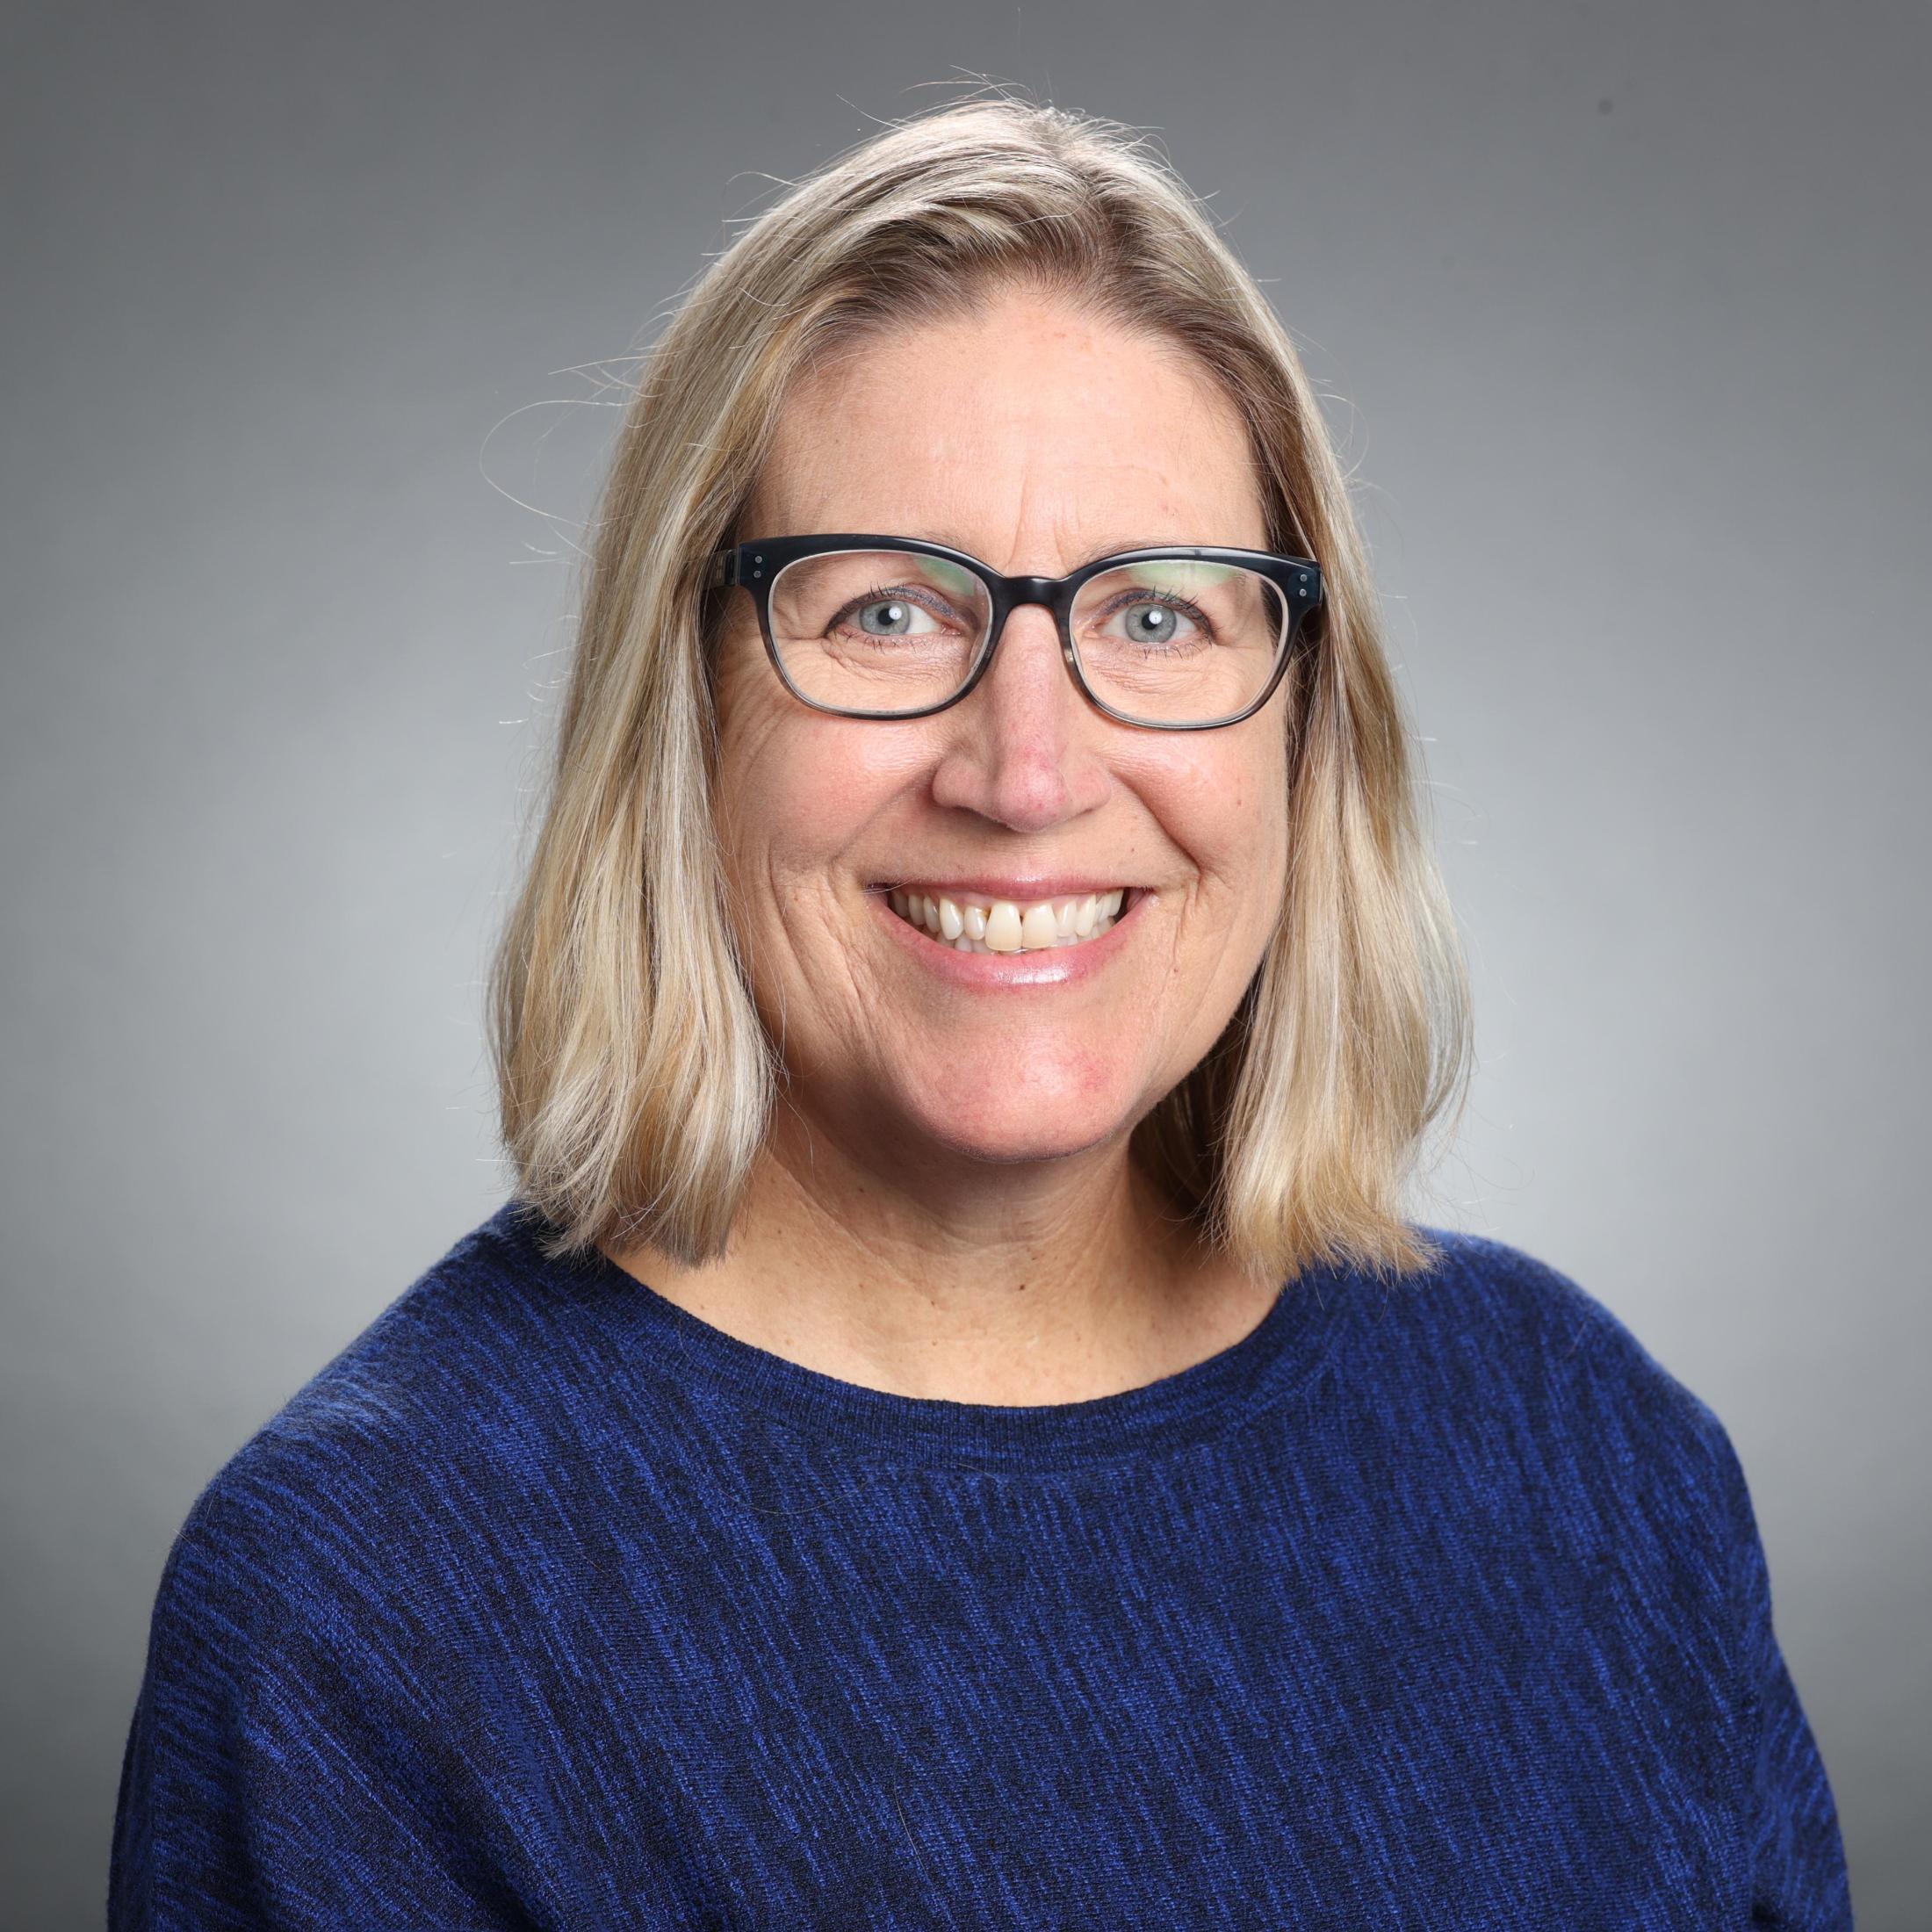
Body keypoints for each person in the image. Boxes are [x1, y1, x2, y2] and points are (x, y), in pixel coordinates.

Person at [109, 97, 1852, 1927]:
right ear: (685, 709)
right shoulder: (370, 1599)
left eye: (1160, 618)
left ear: (1299, 727)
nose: (1026, 770)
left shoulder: (1583, 1449)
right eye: (885, 612)